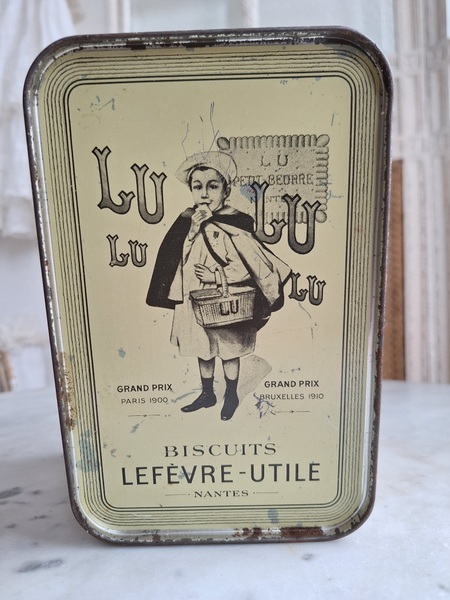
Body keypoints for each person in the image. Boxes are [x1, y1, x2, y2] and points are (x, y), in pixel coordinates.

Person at [146, 151, 291, 420]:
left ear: (226, 191)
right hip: (196, 298)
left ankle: (231, 395)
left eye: (212, 186)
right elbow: (179, 259)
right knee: (202, 348)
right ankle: (207, 394)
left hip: (227, 299)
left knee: (228, 349)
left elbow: (249, 265)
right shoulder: (187, 220)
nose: (204, 194)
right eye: (197, 187)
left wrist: (216, 277)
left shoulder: (236, 222)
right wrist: (192, 231)